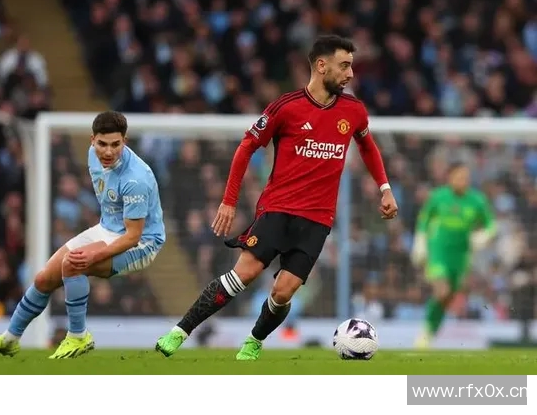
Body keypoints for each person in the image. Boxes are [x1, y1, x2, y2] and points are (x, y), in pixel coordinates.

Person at [155, 35, 398, 360]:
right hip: (278, 209)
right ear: (321, 65)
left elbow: (367, 146)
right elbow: (246, 147)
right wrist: (229, 201)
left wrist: (385, 188)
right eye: (344, 66)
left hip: (317, 219)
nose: (350, 74)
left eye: (351, 66)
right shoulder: (287, 107)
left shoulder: (353, 111)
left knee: (283, 292)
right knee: (243, 275)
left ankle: (255, 340)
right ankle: (180, 332)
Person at [0, 111, 166, 359]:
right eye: (102, 144)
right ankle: (9, 339)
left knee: (73, 263)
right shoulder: (92, 155)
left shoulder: (136, 179)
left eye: (116, 145)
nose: (108, 151)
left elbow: (132, 237)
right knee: (43, 279)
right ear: (92, 140)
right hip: (107, 228)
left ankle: (78, 336)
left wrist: (94, 256)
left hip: (142, 242)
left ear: (124, 142)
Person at [411, 162, 496, 348]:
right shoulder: (438, 197)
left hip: (461, 256)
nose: (462, 181)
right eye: (459, 177)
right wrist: (420, 243)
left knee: (448, 297)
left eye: (465, 177)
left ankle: (430, 331)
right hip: (438, 252)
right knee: (442, 290)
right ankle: (426, 332)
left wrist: (484, 236)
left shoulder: (477, 200)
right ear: (450, 177)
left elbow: (491, 225)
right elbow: (423, 221)